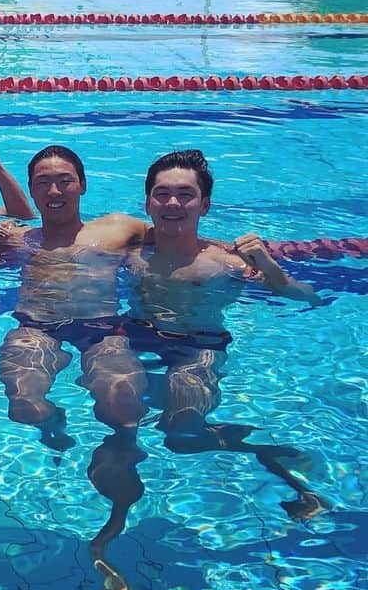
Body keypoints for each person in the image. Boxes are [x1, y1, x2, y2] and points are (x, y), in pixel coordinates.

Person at [0, 145, 151, 590]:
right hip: (36, 328)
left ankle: (116, 485)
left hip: (103, 331)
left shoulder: (119, 228)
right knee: (23, 404)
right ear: (33, 190)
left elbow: (182, 240)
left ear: (82, 184)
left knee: (123, 407)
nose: (55, 189)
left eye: (64, 179)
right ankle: (50, 422)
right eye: (43, 181)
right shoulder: (21, 239)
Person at [126, 149, 327, 519]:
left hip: (198, 348)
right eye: (162, 193)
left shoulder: (227, 265)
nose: (173, 203)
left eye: (185, 194)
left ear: (204, 205)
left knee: (181, 434)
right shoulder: (129, 255)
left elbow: (309, 299)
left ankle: (264, 451)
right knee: (115, 411)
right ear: (148, 202)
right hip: (137, 338)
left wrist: (270, 267)